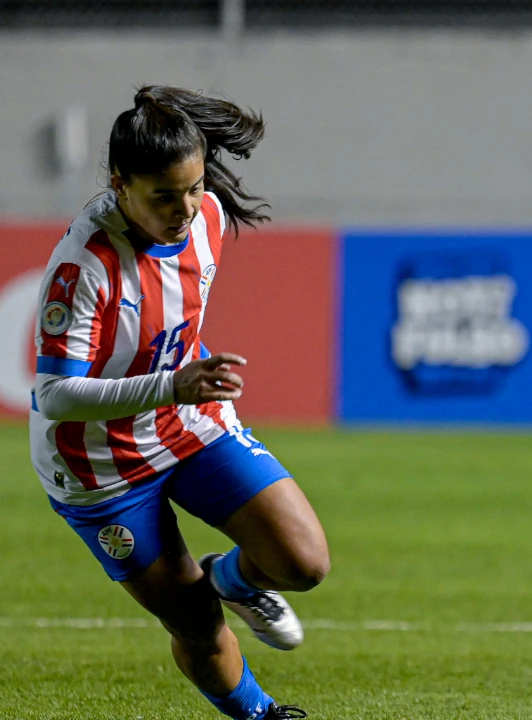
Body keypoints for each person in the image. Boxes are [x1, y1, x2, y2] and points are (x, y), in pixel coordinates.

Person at [29, 86, 327, 720]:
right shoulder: (85, 266)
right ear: (119, 185)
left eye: (193, 188)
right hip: (99, 468)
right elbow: (53, 395)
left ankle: (230, 578)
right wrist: (173, 383)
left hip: (184, 422)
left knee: (303, 561)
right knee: (195, 622)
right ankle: (261, 713)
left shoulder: (209, 218)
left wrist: (181, 391)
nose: (186, 208)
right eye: (164, 196)